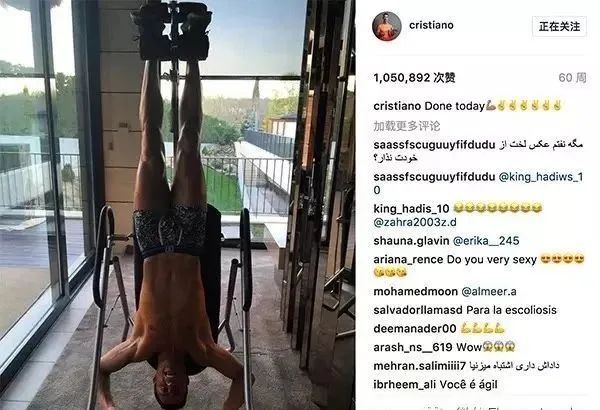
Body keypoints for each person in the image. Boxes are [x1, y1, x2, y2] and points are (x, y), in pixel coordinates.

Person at [96, 19, 252, 410]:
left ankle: (152, 48)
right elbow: (241, 378)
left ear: (153, 381)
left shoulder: (138, 346)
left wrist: (108, 404)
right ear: (186, 385)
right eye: (177, 391)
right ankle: (193, 49)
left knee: (150, 144)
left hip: (150, 242)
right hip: (188, 240)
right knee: (188, 143)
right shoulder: (201, 349)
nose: (170, 385)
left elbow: (100, 369)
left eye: (163, 391)